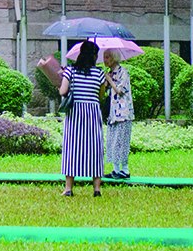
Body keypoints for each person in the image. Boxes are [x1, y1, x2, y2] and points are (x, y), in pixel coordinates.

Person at [58, 40, 105, 196]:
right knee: (94, 148)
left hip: (75, 114)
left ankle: (69, 188)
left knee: (72, 147)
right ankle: (97, 189)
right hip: (92, 113)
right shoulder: (99, 73)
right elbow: (101, 96)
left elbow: (62, 91)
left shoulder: (70, 71)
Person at [101, 48, 135, 180]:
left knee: (122, 142)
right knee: (112, 141)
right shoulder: (109, 73)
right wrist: (104, 81)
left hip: (123, 113)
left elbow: (120, 90)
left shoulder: (123, 72)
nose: (105, 60)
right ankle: (115, 170)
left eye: (107, 57)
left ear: (114, 58)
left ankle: (125, 170)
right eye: (104, 57)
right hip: (112, 113)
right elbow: (104, 94)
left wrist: (109, 80)